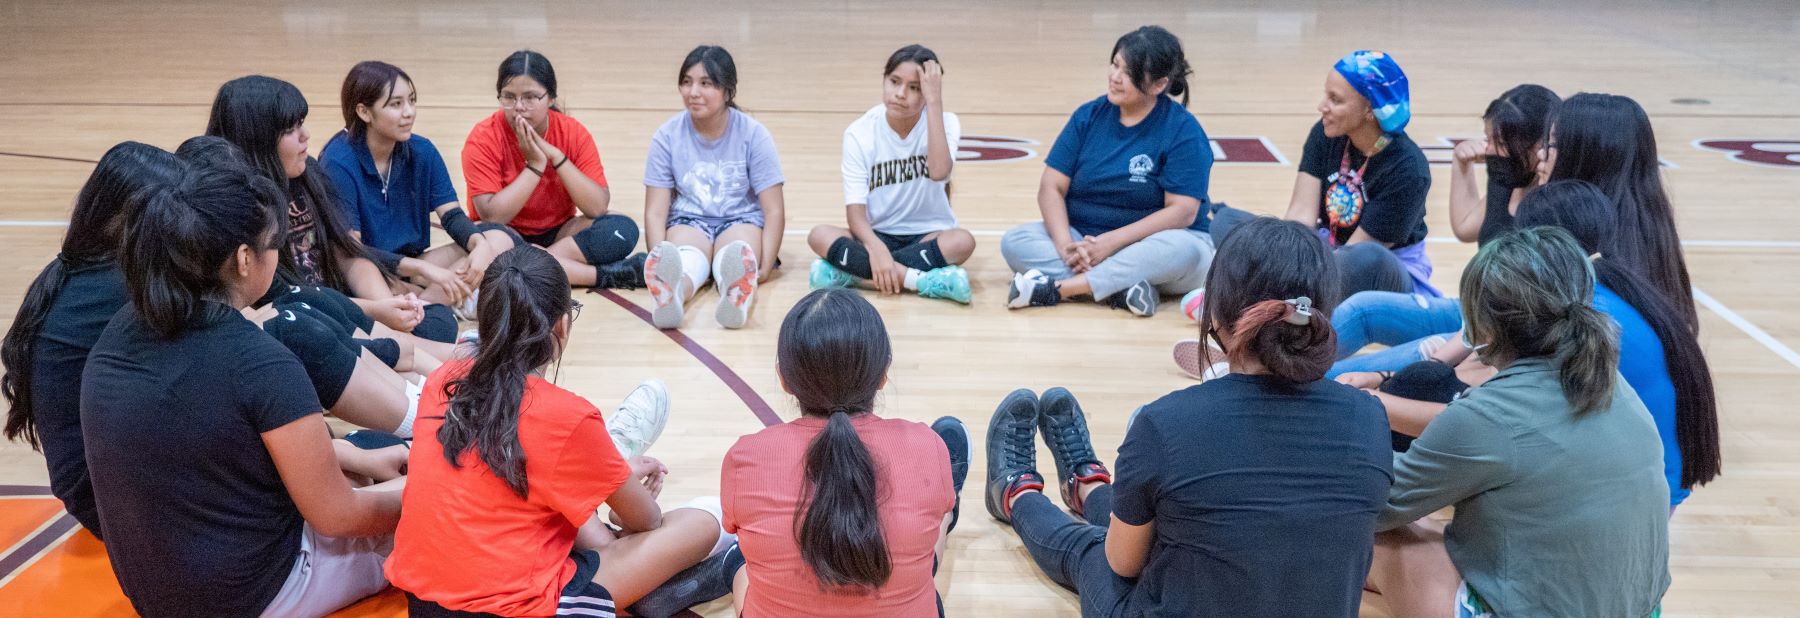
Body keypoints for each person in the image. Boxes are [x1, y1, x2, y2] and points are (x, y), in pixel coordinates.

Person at [986, 217, 1393, 616]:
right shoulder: (1371, 419)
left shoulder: (1165, 423)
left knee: (1090, 549)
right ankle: (1088, 487)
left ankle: (1015, 494)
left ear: (1214, 312)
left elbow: (1122, 563)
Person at [83, 165, 405, 616]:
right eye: (275, 244)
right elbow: (337, 516)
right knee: (436, 504)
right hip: (252, 596)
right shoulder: (260, 362)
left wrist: (363, 463)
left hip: (156, 592)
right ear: (242, 259)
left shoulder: (120, 330)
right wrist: (418, 497)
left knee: (364, 468)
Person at [387, 246, 736, 618]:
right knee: (700, 522)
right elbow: (646, 521)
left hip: (423, 602)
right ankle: (643, 581)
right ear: (561, 325)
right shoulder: (566, 414)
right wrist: (626, 493)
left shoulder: (444, 378)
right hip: (512, 606)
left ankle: (611, 476)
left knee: (556, 498)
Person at [1347, 180, 1722, 507]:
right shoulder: (1596, 289)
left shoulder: (1578, 316)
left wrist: (1368, 401)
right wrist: (1381, 380)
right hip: (1640, 493)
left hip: (1631, 496)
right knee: (1424, 376)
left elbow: (1483, 419)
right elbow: (1473, 375)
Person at [1365, 227, 1670, 617]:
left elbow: (1372, 504)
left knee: (1384, 534)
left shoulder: (1488, 416)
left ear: (1483, 327)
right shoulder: (1611, 382)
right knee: (1435, 526)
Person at [722, 288, 968, 616]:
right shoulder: (926, 446)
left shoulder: (746, 458)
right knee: (937, 520)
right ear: (883, 375)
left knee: (739, 559)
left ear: (784, 379)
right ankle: (946, 506)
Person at [1, 142, 184, 537]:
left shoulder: (76, 268)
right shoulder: (119, 288)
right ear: (130, 217)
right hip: (111, 502)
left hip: (97, 489)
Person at [206, 74, 459, 343]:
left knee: (440, 323)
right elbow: (287, 302)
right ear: (258, 139)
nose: (306, 136)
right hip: (305, 326)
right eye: (291, 129)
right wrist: (377, 311)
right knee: (420, 340)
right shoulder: (243, 210)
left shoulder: (308, 173)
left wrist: (387, 305)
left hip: (342, 306)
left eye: (301, 124)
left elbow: (347, 251)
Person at [1001, 25, 1214, 317]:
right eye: (1115, 65)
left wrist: (1111, 243)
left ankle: (1058, 289)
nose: (1115, 77)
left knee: (1183, 251)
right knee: (1015, 242)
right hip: (1085, 239)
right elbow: (1051, 187)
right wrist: (1066, 246)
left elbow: (1182, 212)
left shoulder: (1183, 130)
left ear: (1158, 84)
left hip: (1156, 243)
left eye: (1128, 73)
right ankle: (1126, 288)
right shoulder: (1088, 116)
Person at [1215, 50, 1433, 298]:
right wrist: (1286, 256)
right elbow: (1300, 216)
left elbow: (1359, 252)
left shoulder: (1408, 168)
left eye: (1335, 100)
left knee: (1365, 259)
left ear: (1370, 110)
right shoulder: (1326, 132)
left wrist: (1286, 268)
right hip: (1321, 252)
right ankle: (1284, 296)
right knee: (1228, 222)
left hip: (1379, 271)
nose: (1322, 107)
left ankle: (1268, 295)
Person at [320, 60, 519, 310]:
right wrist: (425, 269)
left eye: (411, 101)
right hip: (363, 267)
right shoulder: (339, 162)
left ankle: (421, 305)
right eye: (396, 104)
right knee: (362, 267)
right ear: (364, 112)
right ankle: (425, 305)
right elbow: (352, 248)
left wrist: (478, 244)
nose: (409, 112)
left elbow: (453, 217)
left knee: (497, 239)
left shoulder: (422, 151)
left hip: (408, 266)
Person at [463, 50, 648, 290]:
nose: (519, 107)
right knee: (489, 244)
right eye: (509, 97)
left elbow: (597, 207)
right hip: (502, 236)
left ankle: (529, 269)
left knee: (621, 229)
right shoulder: (483, 137)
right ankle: (601, 276)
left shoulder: (572, 132)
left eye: (530, 97)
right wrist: (535, 167)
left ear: (550, 98)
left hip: (559, 234)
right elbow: (492, 216)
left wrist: (557, 157)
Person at [805, 44, 975, 306]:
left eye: (915, 87)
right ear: (884, 80)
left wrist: (935, 102)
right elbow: (855, 214)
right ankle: (920, 281)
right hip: (876, 233)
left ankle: (851, 277)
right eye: (894, 82)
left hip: (928, 235)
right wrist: (876, 248)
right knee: (818, 235)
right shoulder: (860, 132)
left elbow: (940, 172)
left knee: (963, 242)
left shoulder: (945, 122)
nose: (900, 94)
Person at [641, 45, 788, 329]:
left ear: (728, 91)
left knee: (734, 254)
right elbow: (655, 212)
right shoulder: (667, 136)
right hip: (688, 219)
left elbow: (774, 210)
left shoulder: (753, 135)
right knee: (687, 259)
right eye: (686, 82)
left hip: (740, 218)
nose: (693, 92)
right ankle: (672, 295)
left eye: (705, 83)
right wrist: (658, 258)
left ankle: (736, 298)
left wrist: (765, 265)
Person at [1540, 92, 1697, 330]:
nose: (1542, 154)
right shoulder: (1646, 235)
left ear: (1582, 160)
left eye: (1551, 145)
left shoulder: (1590, 261)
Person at [1447, 84, 1560, 245]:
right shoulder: (1508, 176)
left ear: (1542, 142)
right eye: (1488, 139)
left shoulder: (1566, 200)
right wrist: (1461, 165)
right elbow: (1465, 228)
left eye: (1500, 142)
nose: (1490, 150)